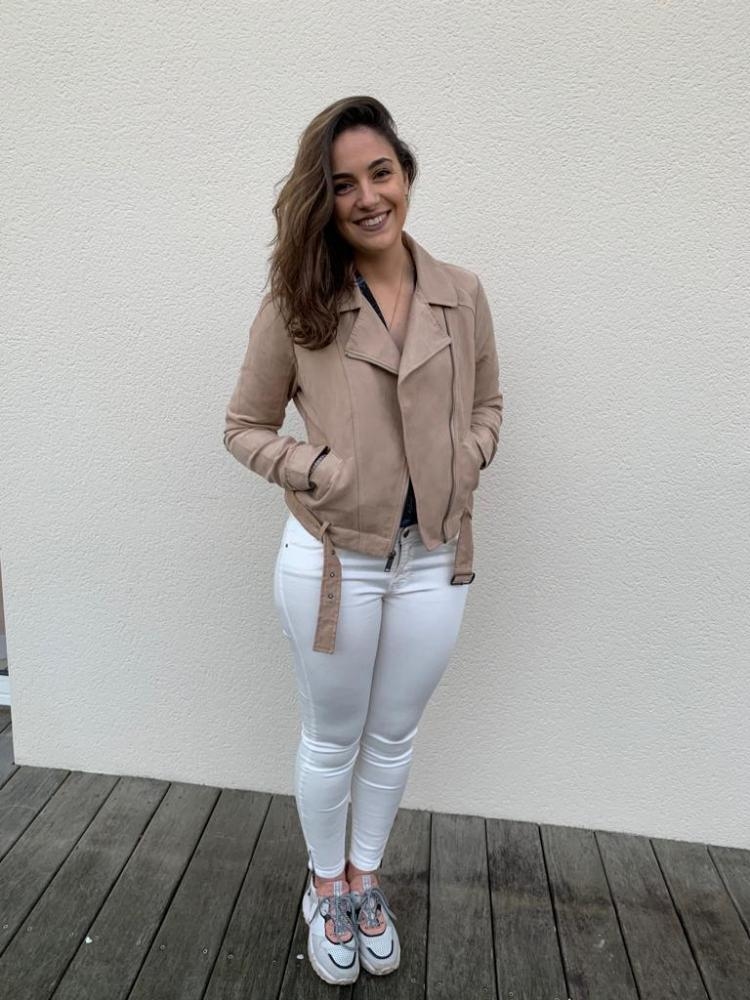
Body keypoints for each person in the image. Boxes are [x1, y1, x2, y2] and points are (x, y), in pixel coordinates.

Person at [223, 95, 503, 985]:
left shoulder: (462, 294)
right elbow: (243, 426)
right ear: (324, 199)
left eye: (381, 173)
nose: (368, 197)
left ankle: (365, 878)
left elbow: (489, 404)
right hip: (334, 561)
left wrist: (470, 454)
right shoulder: (298, 301)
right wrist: (319, 469)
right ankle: (325, 885)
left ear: (406, 174)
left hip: (434, 558)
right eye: (343, 184)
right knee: (333, 738)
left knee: (393, 736)